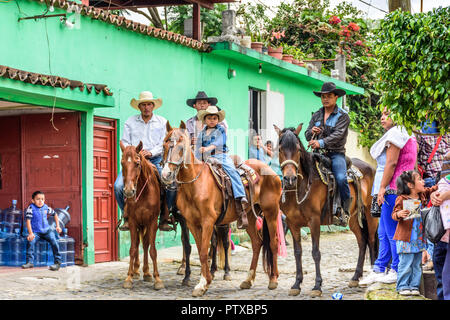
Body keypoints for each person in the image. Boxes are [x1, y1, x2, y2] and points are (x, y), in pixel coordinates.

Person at [359, 108, 417, 287]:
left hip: (395, 189)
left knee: (394, 233)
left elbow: (391, 164)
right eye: (381, 114)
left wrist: (382, 188)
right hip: (406, 188)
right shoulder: (408, 134)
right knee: (384, 232)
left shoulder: (396, 135)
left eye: (387, 114)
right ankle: (379, 267)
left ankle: (397, 269)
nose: (383, 118)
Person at [114, 91, 173, 232]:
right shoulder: (130, 122)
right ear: (139, 107)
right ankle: (126, 215)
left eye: (149, 104)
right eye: (143, 105)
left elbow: (164, 142)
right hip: (134, 160)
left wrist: (151, 152)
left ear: (153, 106)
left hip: (156, 158)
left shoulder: (162, 122)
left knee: (170, 184)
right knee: (118, 186)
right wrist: (137, 153)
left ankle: (166, 215)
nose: (146, 107)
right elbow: (126, 141)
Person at [305, 82, 351, 226]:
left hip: (336, 154)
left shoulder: (343, 116)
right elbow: (307, 134)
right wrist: (312, 132)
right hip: (318, 154)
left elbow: (338, 135)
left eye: (329, 96)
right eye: (323, 96)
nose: (325, 99)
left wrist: (321, 142)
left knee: (341, 178)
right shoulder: (317, 114)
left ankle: (345, 210)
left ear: (336, 97)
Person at [195, 105, 249, 229]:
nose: (212, 120)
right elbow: (198, 148)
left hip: (220, 157)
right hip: (205, 159)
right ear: (205, 120)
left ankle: (240, 196)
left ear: (218, 120)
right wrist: (197, 158)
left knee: (232, 171)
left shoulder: (221, 130)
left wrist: (207, 148)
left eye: (215, 118)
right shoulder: (202, 133)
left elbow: (218, 143)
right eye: (209, 118)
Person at [392, 170, 437, 296]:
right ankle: (402, 286)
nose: (423, 182)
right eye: (419, 179)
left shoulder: (421, 195)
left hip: (418, 239)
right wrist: (399, 214)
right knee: (406, 264)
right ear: (410, 185)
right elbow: (394, 214)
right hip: (405, 239)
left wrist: (442, 183)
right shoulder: (402, 199)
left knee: (417, 265)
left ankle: (414, 286)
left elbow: (432, 189)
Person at [416, 121, 449, 272]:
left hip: (432, 179)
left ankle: (429, 256)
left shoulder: (421, 135)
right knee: (435, 221)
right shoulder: (445, 135)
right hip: (439, 180)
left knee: (431, 220)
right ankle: (429, 256)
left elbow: (418, 157)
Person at [21, 191, 62, 271]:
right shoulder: (31, 208)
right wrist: (31, 233)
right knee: (31, 242)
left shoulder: (46, 207)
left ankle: (57, 262)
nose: (40, 201)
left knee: (54, 241)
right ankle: (30, 262)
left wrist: (58, 226)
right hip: (36, 232)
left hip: (47, 231)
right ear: (33, 200)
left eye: (42, 199)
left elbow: (55, 214)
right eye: (38, 199)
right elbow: (28, 221)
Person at [430, 151, 450, 300]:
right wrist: (434, 194)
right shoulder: (444, 180)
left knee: (447, 275)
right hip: (441, 234)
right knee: (441, 273)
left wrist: (446, 194)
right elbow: (439, 186)